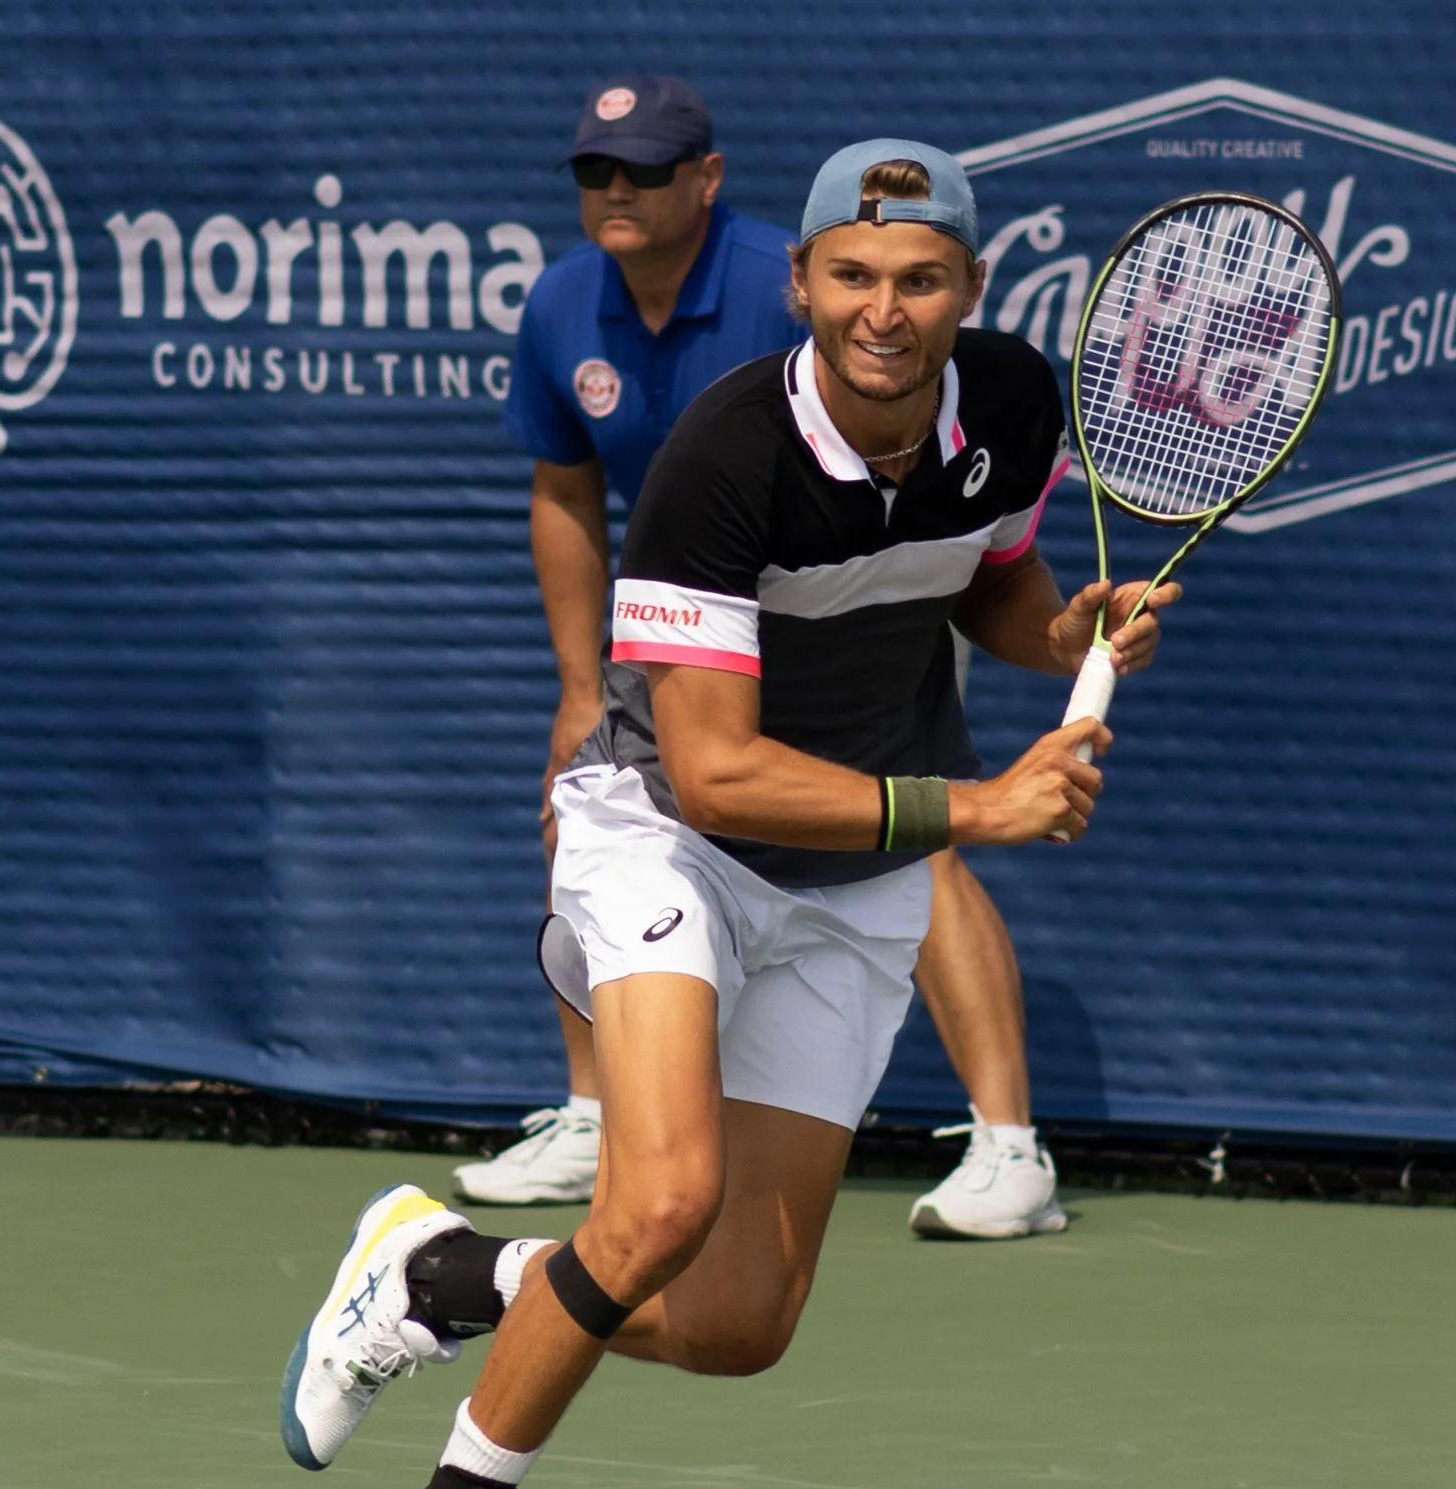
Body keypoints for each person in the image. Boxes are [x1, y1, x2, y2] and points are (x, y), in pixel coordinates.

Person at [278, 141, 1175, 1489]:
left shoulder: (1012, 404)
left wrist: (1062, 630)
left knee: (738, 1320)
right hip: (671, 840)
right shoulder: (723, 455)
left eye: (919, 280)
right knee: (660, 1204)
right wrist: (984, 809)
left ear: (968, 289)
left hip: (855, 886)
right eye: (851, 276)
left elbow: (977, 583)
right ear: (803, 280)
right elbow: (716, 773)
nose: (882, 312)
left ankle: (445, 1274)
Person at [452, 82, 1072, 1241]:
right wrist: (581, 683)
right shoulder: (562, 306)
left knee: (909, 834)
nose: (617, 192)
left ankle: (1008, 1144)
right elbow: (565, 493)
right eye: (596, 172)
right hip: (705, 612)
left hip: (865, 596)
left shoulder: (766, 301)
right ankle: (596, 1112)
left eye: (642, 169)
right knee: (603, 811)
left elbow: (966, 545)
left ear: (709, 179)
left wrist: (1059, 633)